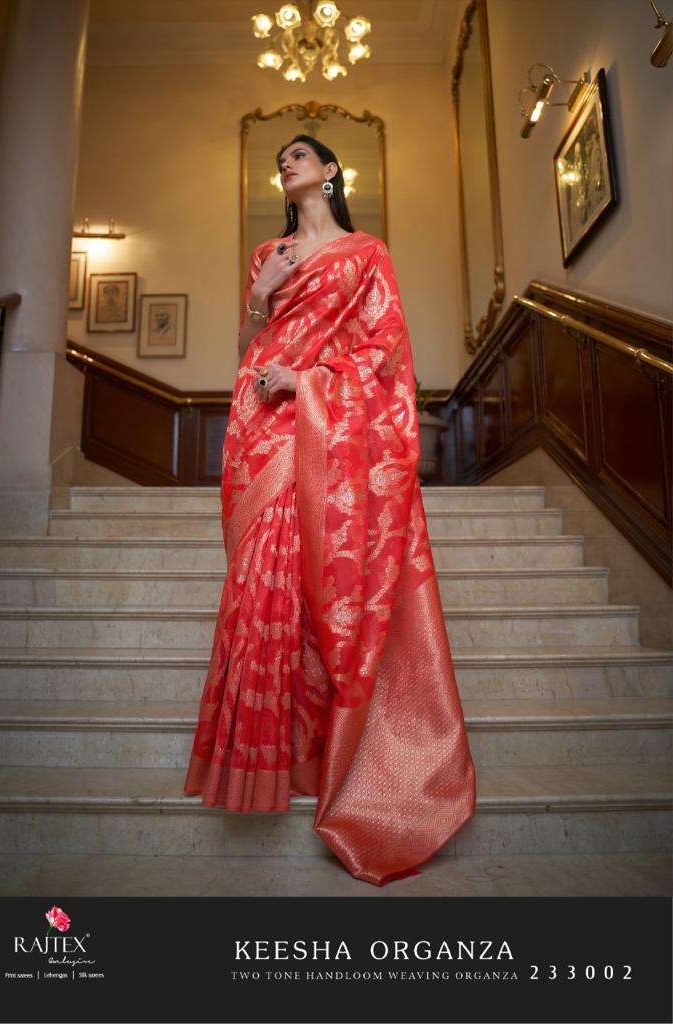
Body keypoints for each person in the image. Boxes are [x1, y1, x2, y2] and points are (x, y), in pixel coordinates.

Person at [184, 133, 476, 885]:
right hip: (262, 429)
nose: (287, 163)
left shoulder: (367, 254)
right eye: (279, 159)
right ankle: (262, 762)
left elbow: (384, 352)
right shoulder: (268, 255)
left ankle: (331, 758)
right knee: (263, 582)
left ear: (330, 171)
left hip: (322, 427)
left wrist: (307, 380)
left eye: (300, 155)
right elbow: (248, 349)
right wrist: (260, 294)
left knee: (320, 583)